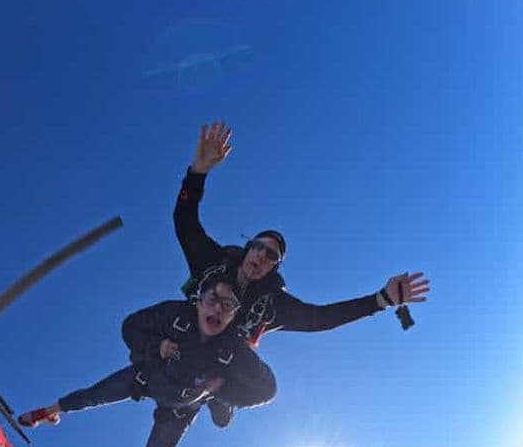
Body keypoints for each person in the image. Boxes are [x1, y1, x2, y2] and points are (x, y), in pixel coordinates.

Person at [175, 121, 430, 427]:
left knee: (266, 388)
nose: (261, 256)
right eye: (258, 247)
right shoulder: (212, 262)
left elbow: (320, 318)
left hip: (222, 356)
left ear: (273, 267)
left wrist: (382, 299)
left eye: (271, 256)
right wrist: (197, 173)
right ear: (247, 249)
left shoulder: (271, 304)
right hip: (185, 330)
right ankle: (155, 360)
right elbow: (185, 221)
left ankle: (219, 395)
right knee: (155, 322)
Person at [17, 275, 276, 447]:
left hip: (179, 409)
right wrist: (156, 345)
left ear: (233, 315)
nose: (218, 308)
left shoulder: (233, 348)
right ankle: (49, 412)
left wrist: (223, 392)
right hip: (148, 378)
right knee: (93, 395)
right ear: (199, 301)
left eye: (228, 305)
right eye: (213, 299)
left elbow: (268, 389)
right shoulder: (175, 314)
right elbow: (130, 326)